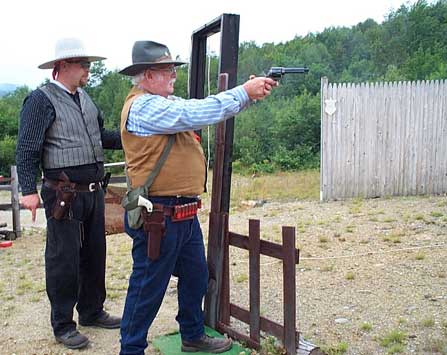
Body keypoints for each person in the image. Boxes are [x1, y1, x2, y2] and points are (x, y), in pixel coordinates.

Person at [118, 40, 277, 355]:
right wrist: (244, 92)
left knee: (196, 276)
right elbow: (197, 111)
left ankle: (192, 334)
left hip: (181, 213)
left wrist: (248, 96)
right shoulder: (144, 106)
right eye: (166, 71)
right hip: (158, 216)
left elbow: (204, 111)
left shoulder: (160, 102)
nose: (173, 76)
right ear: (148, 75)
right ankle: (131, 349)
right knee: (148, 287)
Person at [16, 38, 122, 350]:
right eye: (82, 63)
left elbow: (101, 137)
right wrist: (27, 189)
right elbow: (27, 147)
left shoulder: (87, 99)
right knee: (64, 259)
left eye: (88, 63)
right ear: (62, 67)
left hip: (93, 192)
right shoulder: (40, 100)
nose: (88, 68)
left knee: (94, 253)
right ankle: (63, 324)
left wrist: (136, 137)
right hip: (63, 194)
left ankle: (91, 311)